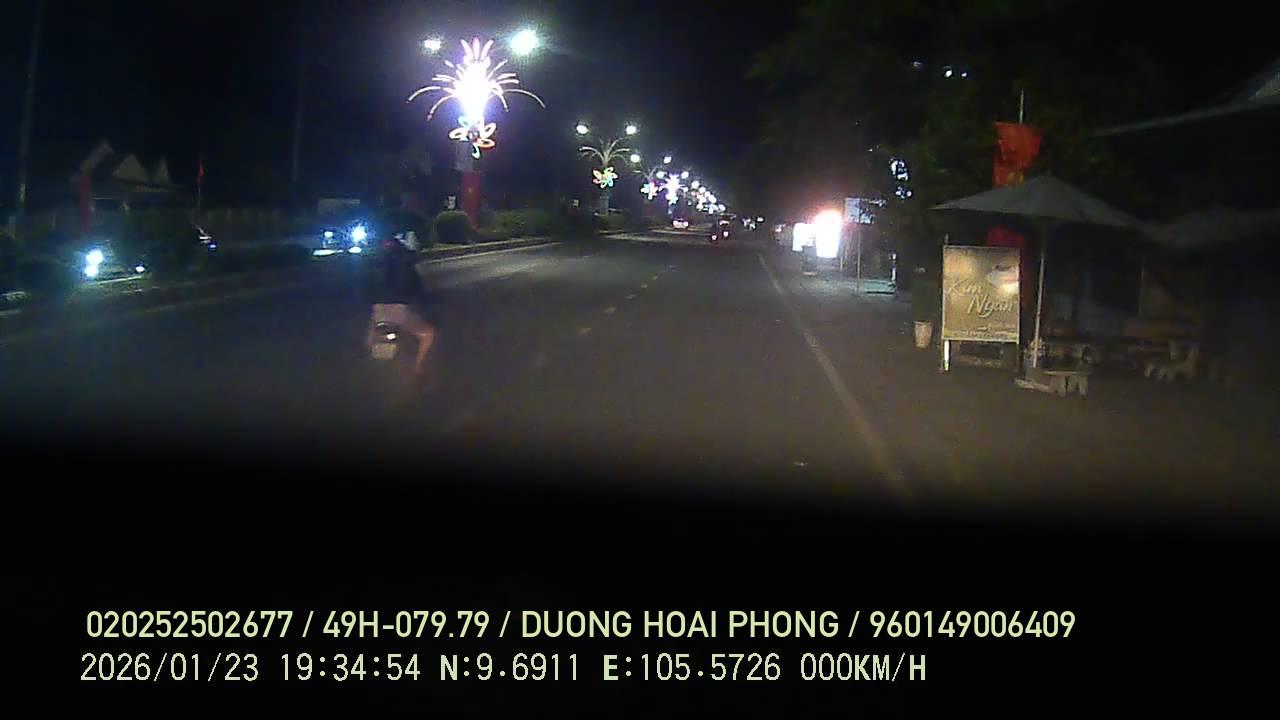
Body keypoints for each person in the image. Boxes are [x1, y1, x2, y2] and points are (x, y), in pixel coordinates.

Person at [366, 236, 436, 377]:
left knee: (370, 338)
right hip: (399, 308)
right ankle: (418, 367)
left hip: (378, 308)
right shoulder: (407, 266)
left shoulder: (378, 268)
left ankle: (368, 364)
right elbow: (418, 290)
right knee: (428, 334)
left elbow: (370, 290)